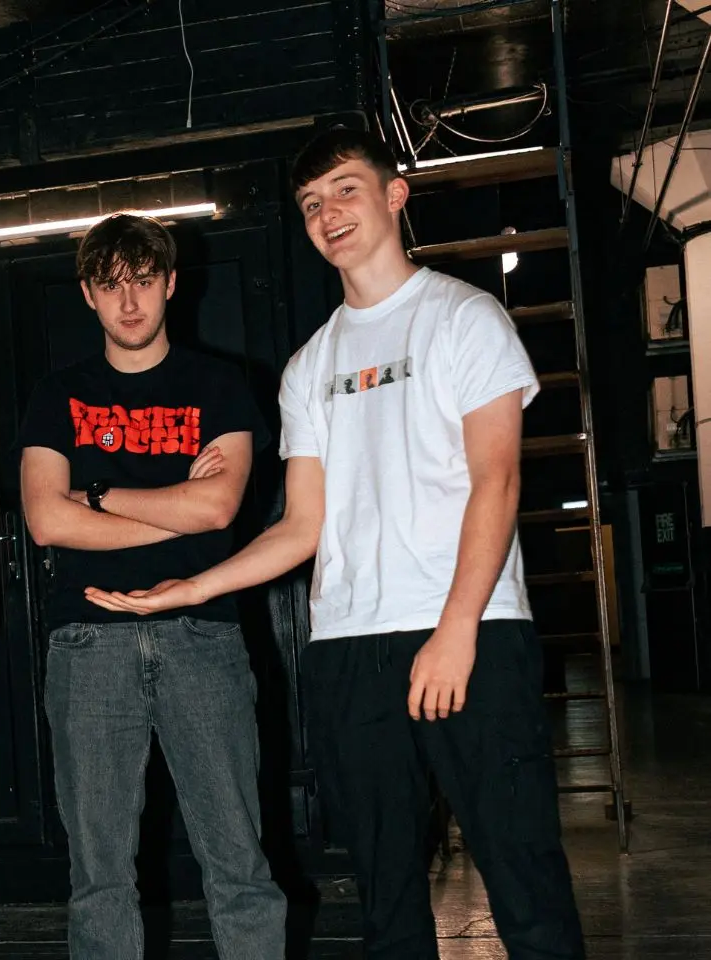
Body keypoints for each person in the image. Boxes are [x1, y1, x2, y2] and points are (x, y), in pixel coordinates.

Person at [88, 128, 587, 958]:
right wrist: (191, 588)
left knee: (522, 875)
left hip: (469, 630)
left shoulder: (465, 317)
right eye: (312, 204)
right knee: (386, 891)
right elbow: (302, 527)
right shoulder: (309, 363)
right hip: (349, 649)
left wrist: (456, 629)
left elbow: (496, 481)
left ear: (395, 196)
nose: (329, 214)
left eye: (347, 191)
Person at [19, 213, 286, 959]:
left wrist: (95, 494)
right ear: (87, 295)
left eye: (142, 281)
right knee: (99, 876)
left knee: (237, 861)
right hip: (87, 642)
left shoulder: (219, 386)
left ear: (171, 283)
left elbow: (220, 508)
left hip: (203, 636)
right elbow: (45, 520)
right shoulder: (57, 395)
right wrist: (179, 510)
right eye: (110, 286)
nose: (128, 302)